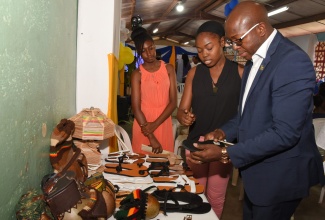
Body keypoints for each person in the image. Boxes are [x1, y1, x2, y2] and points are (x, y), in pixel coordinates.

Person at [188, 1, 325, 220]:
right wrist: (223, 132)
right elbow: (247, 114)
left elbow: (286, 132)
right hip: (257, 173)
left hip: (279, 176)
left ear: (260, 29)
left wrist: (226, 152)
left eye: (237, 40)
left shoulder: (292, 61)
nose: (234, 47)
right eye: (231, 42)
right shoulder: (253, 61)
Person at [177, 20, 243, 218]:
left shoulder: (240, 72)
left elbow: (245, 113)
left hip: (223, 146)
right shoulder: (194, 73)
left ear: (222, 42)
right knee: (196, 194)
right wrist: (184, 117)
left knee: (216, 196)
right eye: (199, 50)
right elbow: (182, 110)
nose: (203, 54)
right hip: (196, 143)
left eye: (209, 48)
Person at [130, 27, 177, 154]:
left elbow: (173, 102)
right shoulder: (137, 74)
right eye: (143, 51)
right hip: (143, 125)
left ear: (155, 47)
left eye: (151, 48)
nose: (149, 53)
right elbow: (136, 108)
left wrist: (155, 124)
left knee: (163, 167)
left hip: (163, 122)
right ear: (139, 53)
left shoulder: (169, 69)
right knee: (141, 168)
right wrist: (150, 135)